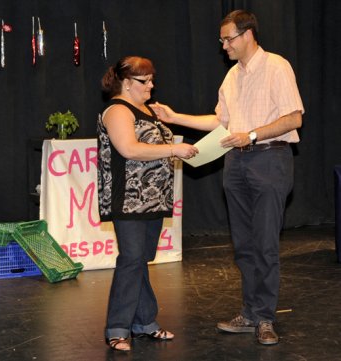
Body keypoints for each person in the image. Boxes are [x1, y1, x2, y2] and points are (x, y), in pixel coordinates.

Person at [153, 10, 304, 345]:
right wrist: (176, 117)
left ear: (248, 34)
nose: (224, 46)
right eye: (222, 40)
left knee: (265, 244)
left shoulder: (277, 67)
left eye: (228, 39)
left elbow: (294, 118)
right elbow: (221, 121)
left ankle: (265, 317)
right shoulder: (232, 77)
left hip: (269, 159)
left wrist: (251, 135)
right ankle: (250, 313)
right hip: (235, 163)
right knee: (244, 246)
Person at [97, 55, 198, 352]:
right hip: (128, 199)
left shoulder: (147, 110)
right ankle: (117, 327)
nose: (152, 84)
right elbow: (129, 148)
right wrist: (174, 148)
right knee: (131, 259)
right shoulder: (117, 110)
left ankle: (143, 322)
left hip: (151, 199)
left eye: (152, 79)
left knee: (140, 259)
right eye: (145, 80)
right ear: (127, 83)